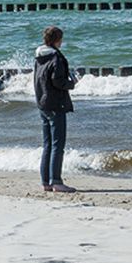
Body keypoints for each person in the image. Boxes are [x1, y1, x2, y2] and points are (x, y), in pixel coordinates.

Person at [33, 25, 77, 194]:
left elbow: (39, 79)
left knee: (48, 144)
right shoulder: (56, 57)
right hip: (55, 104)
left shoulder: (39, 56)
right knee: (58, 144)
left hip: (42, 103)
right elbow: (57, 81)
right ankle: (56, 182)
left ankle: (46, 182)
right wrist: (71, 83)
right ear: (57, 40)